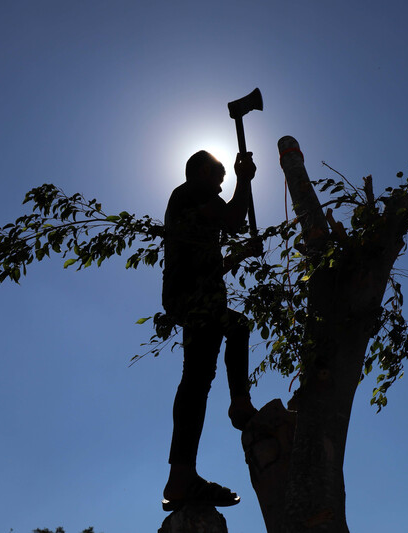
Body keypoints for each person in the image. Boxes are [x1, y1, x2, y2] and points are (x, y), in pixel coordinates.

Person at [161, 150, 259, 511]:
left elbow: (209, 258)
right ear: (203, 173)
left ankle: (183, 473)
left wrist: (242, 254)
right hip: (194, 296)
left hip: (198, 293)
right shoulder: (191, 191)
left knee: (215, 354)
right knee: (197, 379)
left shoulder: (192, 205)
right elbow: (233, 219)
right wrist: (244, 178)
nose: (220, 187)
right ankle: (238, 406)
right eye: (218, 180)